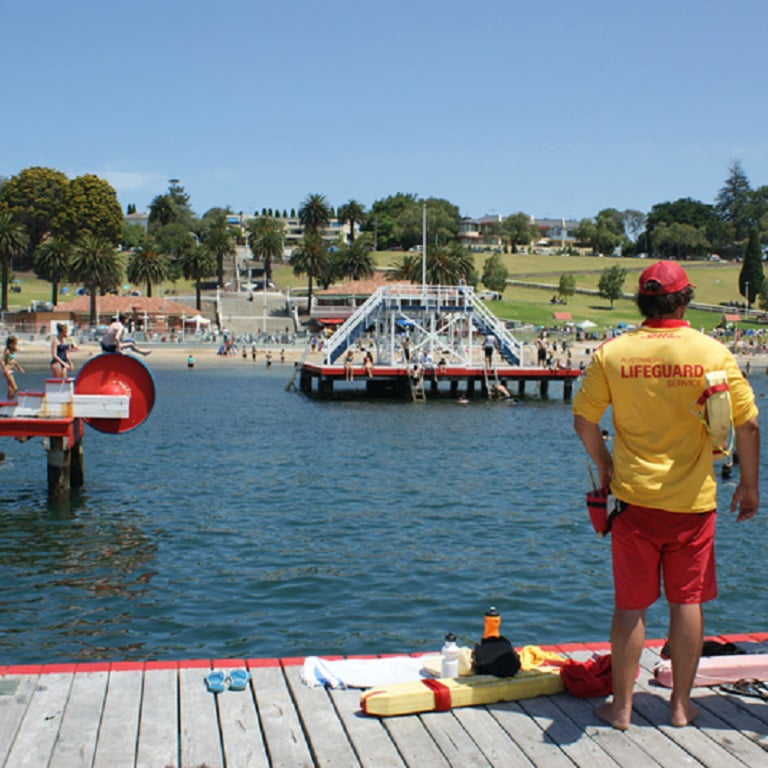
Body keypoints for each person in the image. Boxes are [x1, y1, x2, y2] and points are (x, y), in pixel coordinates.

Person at [572, 260, 760, 731]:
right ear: (686, 297)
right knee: (687, 602)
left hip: (633, 501)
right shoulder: (711, 351)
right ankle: (680, 706)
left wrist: (606, 464)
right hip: (692, 504)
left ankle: (621, 708)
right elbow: (748, 423)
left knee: (630, 606)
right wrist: (751, 485)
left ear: (641, 300)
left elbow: (584, 420)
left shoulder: (612, 353)